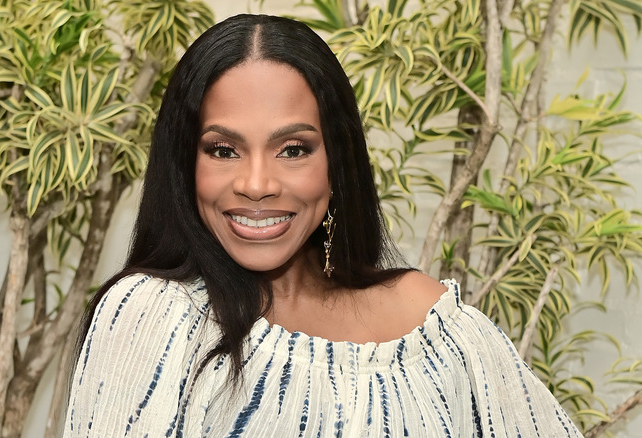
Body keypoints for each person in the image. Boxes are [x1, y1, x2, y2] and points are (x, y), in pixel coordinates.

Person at [63, 14, 582, 437]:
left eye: (293, 149)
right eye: (223, 150)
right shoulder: (151, 317)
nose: (257, 183)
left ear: (337, 163)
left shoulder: (432, 327)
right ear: (185, 166)